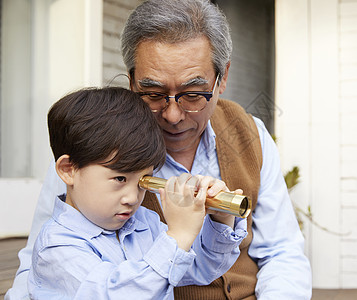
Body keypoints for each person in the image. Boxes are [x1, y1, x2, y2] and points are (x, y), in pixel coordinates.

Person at [7, 0, 312, 299]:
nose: (173, 115)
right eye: (153, 93)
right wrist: (177, 237)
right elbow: (34, 272)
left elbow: (278, 253)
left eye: (192, 94)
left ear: (223, 78)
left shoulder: (251, 134)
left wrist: (221, 222)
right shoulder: (87, 150)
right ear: (131, 81)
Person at [27, 87, 247, 299]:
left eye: (143, 182)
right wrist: (178, 236)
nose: (133, 198)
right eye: (120, 179)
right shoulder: (56, 247)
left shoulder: (143, 224)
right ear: (69, 170)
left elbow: (199, 267)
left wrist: (221, 219)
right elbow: (119, 294)